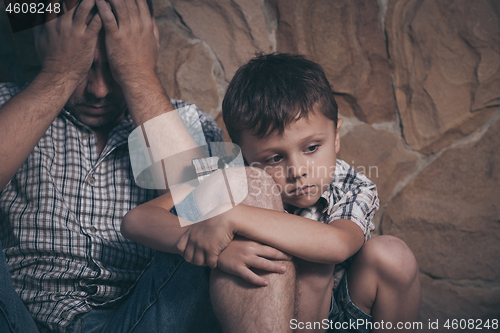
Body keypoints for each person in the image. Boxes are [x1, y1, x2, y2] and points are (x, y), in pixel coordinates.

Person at [0, 0, 254, 331]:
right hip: (17, 320)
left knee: (234, 213)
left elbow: (207, 216)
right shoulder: (9, 105)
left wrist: (137, 75)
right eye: (85, 68)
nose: (99, 90)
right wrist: (59, 74)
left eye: (114, 70)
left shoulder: (186, 123)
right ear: (46, 44)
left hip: (143, 318)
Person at [123, 53, 421, 332]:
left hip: (332, 317)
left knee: (389, 254)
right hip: (256, 315)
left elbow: (339, 243)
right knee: (253, 198)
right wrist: (220, 250)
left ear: (336, 135)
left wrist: (231, 217)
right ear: (243, 154)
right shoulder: (229, 171)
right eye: (274, 158)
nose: (298, 170)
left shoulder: (351, 186)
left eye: (312, 148)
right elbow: (138, 220)